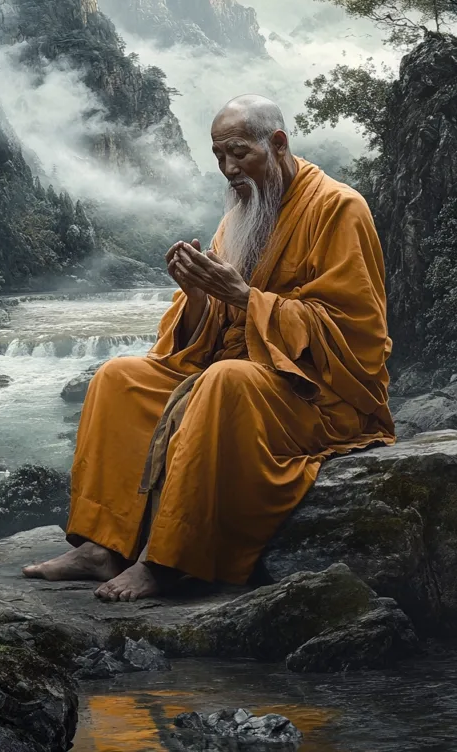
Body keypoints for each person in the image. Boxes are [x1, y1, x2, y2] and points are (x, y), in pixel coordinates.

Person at [23, 94, 395, 600]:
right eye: (219, 156)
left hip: (311, 393)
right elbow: (206, 332)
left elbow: (356, 331)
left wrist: (245, 297)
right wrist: (199, 294)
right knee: (119, 378)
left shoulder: (339, 208)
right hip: (237, 373)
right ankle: (100, 546)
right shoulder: (242, 213)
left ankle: (170, 561)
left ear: (278, 144)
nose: (227, 168)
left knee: (224, 380)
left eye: (239, 153)